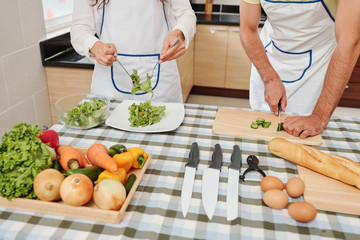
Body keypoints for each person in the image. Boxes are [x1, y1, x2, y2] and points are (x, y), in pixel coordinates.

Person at [239, 0, 360, 138]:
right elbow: (247, 29)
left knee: (305, 140)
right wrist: (270, 78)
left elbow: (350, 40)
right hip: (269, 60)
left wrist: (319, 117)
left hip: (316, 66)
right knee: (261, 135)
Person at [71, 0, 196, 103]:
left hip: (162, 84)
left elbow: (186, 14)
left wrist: (179, 33)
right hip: (108, 87)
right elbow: (79, 28)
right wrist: (96, 46)